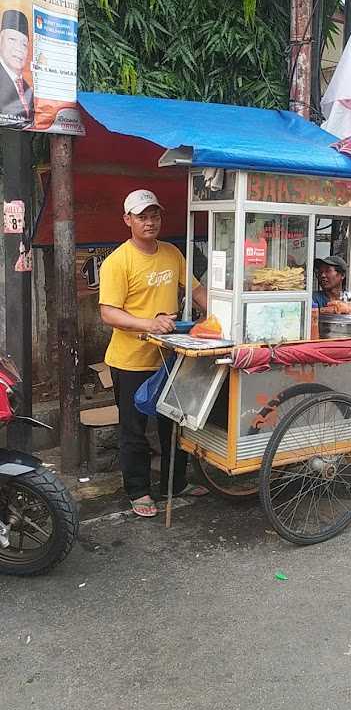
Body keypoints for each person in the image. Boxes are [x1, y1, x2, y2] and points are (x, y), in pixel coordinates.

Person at [99, 190, 209, 517]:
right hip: (130, 360)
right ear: (127, 220)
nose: (150, 222)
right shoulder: (118, 261)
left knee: (174, 422)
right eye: (142, 216)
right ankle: (138, 491)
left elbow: (196, 290)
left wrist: (220, 312)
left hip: (169, 354)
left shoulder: (172, 253)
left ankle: (174, 484)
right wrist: (149, 323)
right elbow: (108, 313)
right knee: (134, 429)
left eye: (154, 215)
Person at [0, 9, 34, 127]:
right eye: (12, 40)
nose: (18, 49)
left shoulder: (28, 90)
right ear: (1, 40)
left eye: (24, 44)